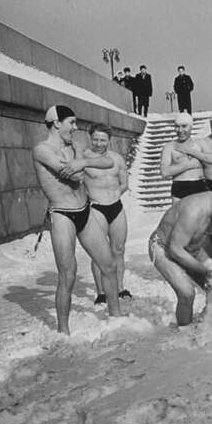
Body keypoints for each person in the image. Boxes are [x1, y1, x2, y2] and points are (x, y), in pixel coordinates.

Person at [32, 105, 121, 335]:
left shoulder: (74, 147)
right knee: (68, 274)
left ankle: (116, 317)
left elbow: (107, 162)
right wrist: (79, 169)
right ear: (56, 123)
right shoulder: (41, 150)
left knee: (109, 265)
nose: (75, 127)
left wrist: (81, 163)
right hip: (62, 215)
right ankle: (63, 331)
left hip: (84, 210)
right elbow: (70, 176)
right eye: (71, 122)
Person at [148, 189, 212, 326]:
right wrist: (204, 270)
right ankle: (183, 333)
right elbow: (175, 249)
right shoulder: (194, 212)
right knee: (187, 293)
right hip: (163, 247)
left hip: (192, 248)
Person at [82, 123, 131, 305]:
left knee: (118, 250)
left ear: (109, 140)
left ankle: (119, 287)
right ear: (90, 138)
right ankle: (101, 291)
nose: (99, 143)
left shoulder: (116, 159)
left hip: (116, 207)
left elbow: (124, 182)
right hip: (96, 208)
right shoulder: (84, 158)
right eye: (95, 139)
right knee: (99, 252)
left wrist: (118, 192)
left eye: (103, 140)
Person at [160, 112, 207, 203]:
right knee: (178, 216)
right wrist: (188, 165)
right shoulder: (170, 147)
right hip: (180, 188)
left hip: (199, 186)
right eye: (177, 126)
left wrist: (193, 152)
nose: (180, 130)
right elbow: (164, 172)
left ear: (191, 127)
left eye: (184, 126)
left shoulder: (199, 144)